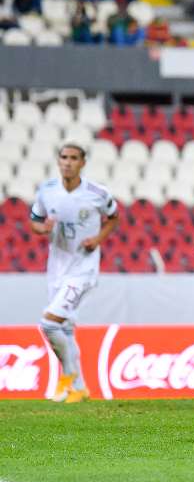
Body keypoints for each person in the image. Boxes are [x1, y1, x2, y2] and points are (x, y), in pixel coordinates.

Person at [30, 144, 119, 403]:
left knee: (49, 323)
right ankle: (78, 388)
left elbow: (114, 218)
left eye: (73, 158)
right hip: (56, 268)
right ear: (58, 161)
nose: (67, 162)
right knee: (65, 329)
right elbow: (34, 220)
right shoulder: (47, 191)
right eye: (63, 157)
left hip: (83, 269)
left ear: (83, 163)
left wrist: (98, 238)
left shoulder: (97, 193)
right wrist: (42, 228)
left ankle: (68, 378)